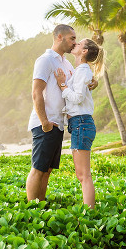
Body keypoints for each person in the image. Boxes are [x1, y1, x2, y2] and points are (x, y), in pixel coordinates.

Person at [25, 24, 96, 202]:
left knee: (47, 170)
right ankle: (32, 210)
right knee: (38, 168)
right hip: (46, 123)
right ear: (59, 37)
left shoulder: (66, 63)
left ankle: (41, 206)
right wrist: (45, 122)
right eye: (72, 38)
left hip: (59, 124)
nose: (74, 42)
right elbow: (36, 92)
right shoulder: (45, 59)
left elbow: (77, 86)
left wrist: (93, 83)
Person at [53, 38, 104, 208]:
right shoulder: (79, 71)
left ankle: (90, 211)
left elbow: (78, 97)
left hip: (82, 123)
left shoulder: (83, 71)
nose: (75, 44)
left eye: (79, 43)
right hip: (78, 124)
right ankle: (89, 209)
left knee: (84, 175)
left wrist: (62, 86)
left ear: (84, 52)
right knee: (81, 174)